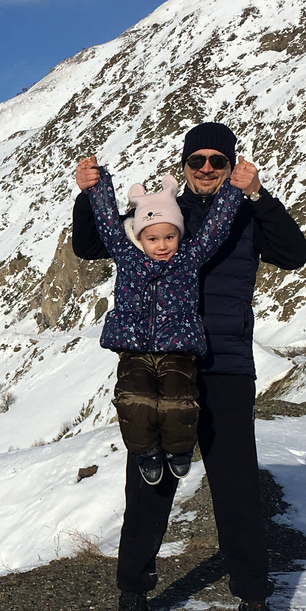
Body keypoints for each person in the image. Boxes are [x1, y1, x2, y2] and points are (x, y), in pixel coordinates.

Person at [73, 122, 306, 611]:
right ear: (183, 165)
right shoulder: (159, 213)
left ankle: (253, 602)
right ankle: (133, 599)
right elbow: (93, 243)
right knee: (149, 484)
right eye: (197, 160)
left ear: (229, 166)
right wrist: (85, 190)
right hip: (160, 362)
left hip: (225, 364)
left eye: (217, 161)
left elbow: (294, 254)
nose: (206, 169)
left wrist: (258, 196)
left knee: (236, 486)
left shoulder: (244, 212)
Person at [81, 166, 244, 489]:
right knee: (133, 400)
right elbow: (108, 224)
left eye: (170, 236)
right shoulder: (127, 256)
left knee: (178, 402)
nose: (162, 245)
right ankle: (145, 452)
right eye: (153, 238)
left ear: (179, 234)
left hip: (177, 348)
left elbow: (216, 228)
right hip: (134, 348)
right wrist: (97, 184)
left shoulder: (189, 258)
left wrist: (234, 191)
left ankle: (179, 449)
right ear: (139, 237)